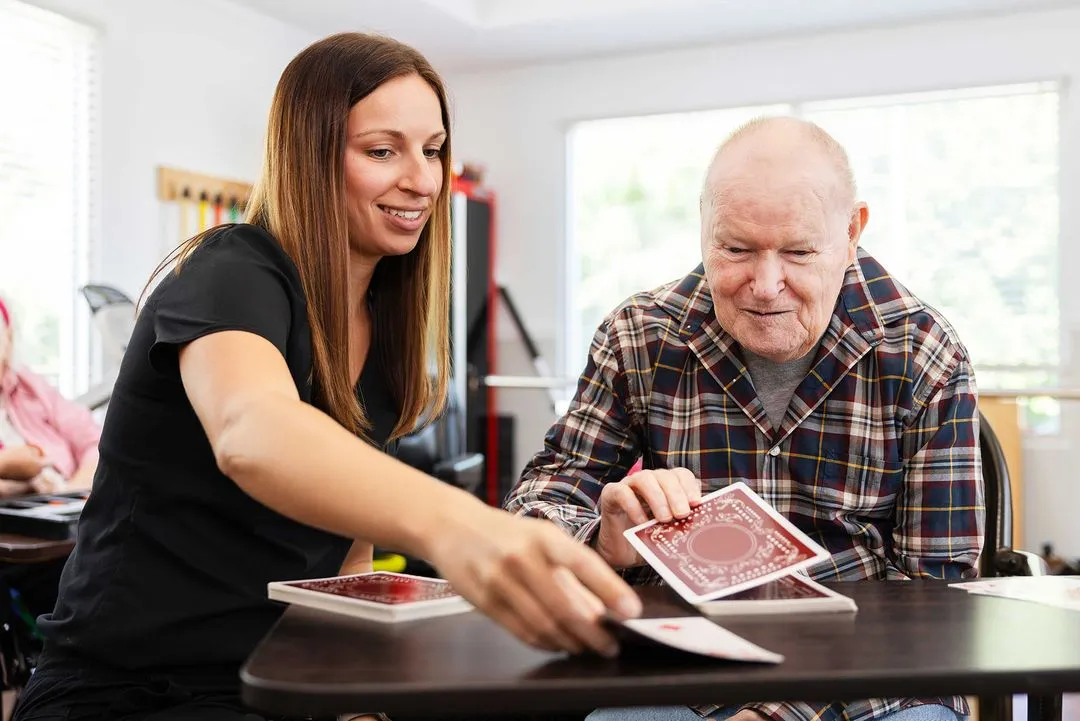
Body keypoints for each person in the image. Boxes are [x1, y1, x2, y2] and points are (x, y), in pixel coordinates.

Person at [13, 32, 641, 721]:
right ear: (312, 156)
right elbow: (252, 429)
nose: (423, 179)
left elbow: (348, 554)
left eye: (432, 150)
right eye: (382, 150)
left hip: (284, 683)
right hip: (132, 691)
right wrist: (460, 526)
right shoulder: (231, 269)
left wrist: (359, 703)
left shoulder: (383, 321)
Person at [507, 116, 984, 721]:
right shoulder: (640, 335)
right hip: (683, 670)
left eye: (799, 252)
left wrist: (778, 711)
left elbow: (934, 602)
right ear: (703, 227)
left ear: (852, 230)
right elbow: (533, 508)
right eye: (734, 249)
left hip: (871, 683)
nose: (764, 285)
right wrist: (602, 537)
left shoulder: (922, 352)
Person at [0, 296, 101, 498]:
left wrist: (71, 494)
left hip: (62, 507)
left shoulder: (29, 385)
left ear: (9, 337)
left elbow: (96, 442)